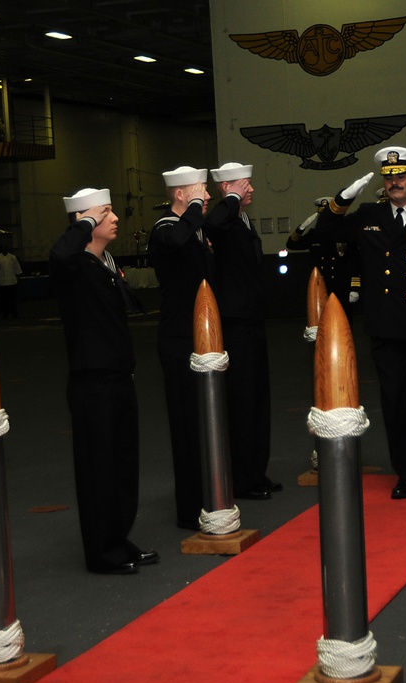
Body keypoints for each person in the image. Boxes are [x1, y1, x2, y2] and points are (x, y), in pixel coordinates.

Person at [313, 146, 406, 499]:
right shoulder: (368, 215)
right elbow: (325, 231)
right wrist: (343, 198)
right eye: (389, 177)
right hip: (386, 326)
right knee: (393, 401)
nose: (395, 183)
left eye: (401, 176)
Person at [50, 187, 158, 574]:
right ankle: (102, 551)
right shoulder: (74, 265)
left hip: (118, 378)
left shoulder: (104, 263)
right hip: (92, 382)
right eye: (105, 213)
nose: (114, 219)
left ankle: (119, 538)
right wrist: (85, 223)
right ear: (85, 222)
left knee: (123, 466)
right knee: (99, 470)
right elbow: (60, 255)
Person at [204, 162, 280, 500]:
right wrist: (232, 197)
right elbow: (213, 222)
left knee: (258, 399)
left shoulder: (242, 218)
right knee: (242, 401)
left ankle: (256, 472)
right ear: (226, 189)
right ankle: (242, 478)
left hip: (252, 319)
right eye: (242, 185)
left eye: (248, 184)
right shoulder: (223, 218)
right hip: (234, 323)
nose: (250, 190)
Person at [148, 166, 213, 530]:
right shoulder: (165, 229)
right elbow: (174, 242)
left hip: (199, 335)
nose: (205, 195)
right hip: (177, 338)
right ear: (180, 195)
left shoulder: (193, 230)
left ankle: (207, 493)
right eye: (199, 190)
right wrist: (194, 210)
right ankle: (189, 508)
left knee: (204, 423)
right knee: (186, 425)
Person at [285, 198, 361, 317]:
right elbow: (291, 245)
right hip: (319, 286)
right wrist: (301, 229)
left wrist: (354, 287)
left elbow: (354, 262)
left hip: (341, 285)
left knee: (343, 323)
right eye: (322, 216)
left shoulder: (346, 234)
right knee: (320, 322)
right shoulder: (314, 234)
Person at [0, 242, 22, 318]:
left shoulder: (12, 257)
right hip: (2, 282)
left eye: (6, 247)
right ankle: (5, 313)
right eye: (3, 247)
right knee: (4, 300)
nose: (5, 249)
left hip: (12, 281)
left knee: (12, 299)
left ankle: (13, 313)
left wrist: (18, 280)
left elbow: (17, 269)